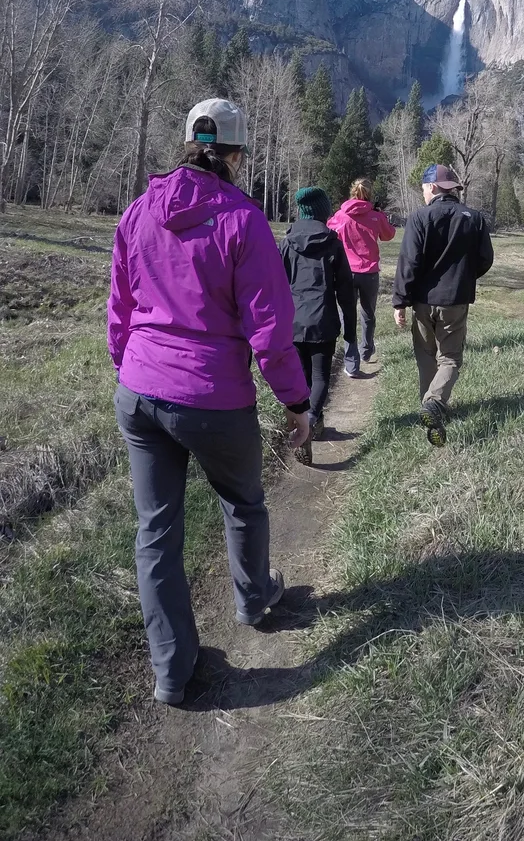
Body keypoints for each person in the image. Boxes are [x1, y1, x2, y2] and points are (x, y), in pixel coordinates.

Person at [108, 97, 311, 707]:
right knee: (243, 502)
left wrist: (130, 367)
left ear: (187, 146)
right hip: (212, 396)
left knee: (156, 531)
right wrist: (296, 401)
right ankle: (254, 599)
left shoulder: (138, 211)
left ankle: (172, 672)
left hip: (140, 390)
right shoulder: (243, 219)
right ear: (235, 155)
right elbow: (269, 329)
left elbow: (119, 306)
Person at [392, 163, 494, 446]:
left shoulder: (419, 217)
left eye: (424, 189)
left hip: (423, 301)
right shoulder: (474, 218)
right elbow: (485, 259)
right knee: (449, 358)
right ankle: (434, 404)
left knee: (426, 355)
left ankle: (430, 404)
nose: (423, 194)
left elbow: (408, 262)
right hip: (455, 301)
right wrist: (463, 278)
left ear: (433, 187)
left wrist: (400, 301)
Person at [280, 186, 359, 463]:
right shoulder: (333, 243)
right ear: (324, 212)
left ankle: (308, 423)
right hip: (323, 320)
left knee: (302, 379)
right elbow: (346, 292)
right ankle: (311, 421)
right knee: (320, 376)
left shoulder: (287, 243)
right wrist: (351, 332)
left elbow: (275, 285)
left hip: (292, 322)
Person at [330, 176, 396, 364]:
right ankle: (366, 349)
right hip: (370, 272)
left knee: (347, 315)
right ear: (369, 194)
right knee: (368, 313)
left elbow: (330, 231)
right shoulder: (375, 216)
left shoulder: (341, 216)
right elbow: (388, 235)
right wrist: (381, 216)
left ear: (352, 192)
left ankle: (351, 359)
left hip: (347, 272)